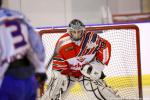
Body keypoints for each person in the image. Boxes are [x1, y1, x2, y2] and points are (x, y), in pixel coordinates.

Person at [41, 19, 120, 100]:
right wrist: (58, 76)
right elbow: (58, 66)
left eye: (79, 32)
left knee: (95, 90)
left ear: (83, 31)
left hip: (85, 72)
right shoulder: (62, 43)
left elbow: (106, 46)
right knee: (56, 88)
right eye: (74, 32)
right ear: (69, 31)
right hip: (69, 73)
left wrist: (99, 64)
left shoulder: (92, 39)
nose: (76, 35)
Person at [0, 0, 47, 100]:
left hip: (7, 80)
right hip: (29, 78)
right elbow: (37, 46)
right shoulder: (19, 16)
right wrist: (40, 69)